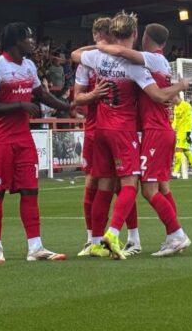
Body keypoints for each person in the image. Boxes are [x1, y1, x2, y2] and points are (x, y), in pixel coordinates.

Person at [75, 12, 188, 259]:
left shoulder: (99, 58)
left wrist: (99, 46)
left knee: (113, 185)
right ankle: (126, 235)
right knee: (137, 185)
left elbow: (75, 55)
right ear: (135, 34)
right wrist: (179, 88)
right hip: (129, 130)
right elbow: (158, 95)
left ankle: (103, 240)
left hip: (108, 129)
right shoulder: (136, 65)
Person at [0, 22, 72, 263]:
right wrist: (19, 105)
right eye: (29, 38)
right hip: (0, 140)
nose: (32, 42)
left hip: (23, 138)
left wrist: (69, 107)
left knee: (30, 190)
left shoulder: (29, 66)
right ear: (16, 40)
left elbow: (42, 95)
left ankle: (35, 247)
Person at [70, 17, 113, 257]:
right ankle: (92, 239)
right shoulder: (87, 63)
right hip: (95, 129)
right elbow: (77, 98)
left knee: (121, 184)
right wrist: (94, 94)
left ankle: (130, 238)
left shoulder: (122, 58)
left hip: (119, 129)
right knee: (94, 181)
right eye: (99, 36)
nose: (102, 40)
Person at [172, 94, 192, 179]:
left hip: (184, 132)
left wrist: (188, 134)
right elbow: (175, 120)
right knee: (187, 152)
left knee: (178, 152)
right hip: (178, 132)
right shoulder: (175, 107)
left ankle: (175, 173)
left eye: (173, 98)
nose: (172, 100)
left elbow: (189, 120)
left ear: (178, 96)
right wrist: (171, 129)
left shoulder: (187, 106)